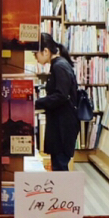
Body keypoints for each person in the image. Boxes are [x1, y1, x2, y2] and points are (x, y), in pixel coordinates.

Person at [34, 32, 80, 171]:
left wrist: (37, 103)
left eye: (36, 54)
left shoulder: (59, 66)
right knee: (58, 165)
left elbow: (61, 95)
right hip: (61, 123)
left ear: (46, 51)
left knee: (60, 166)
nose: (35, 58)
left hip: (63, 125)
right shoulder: (58, 65)